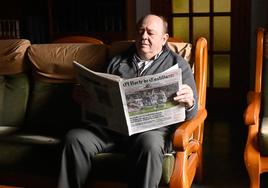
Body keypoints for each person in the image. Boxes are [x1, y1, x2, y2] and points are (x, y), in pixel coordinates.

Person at [57, 14, 197, 188]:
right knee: (75, 138)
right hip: (112, 130)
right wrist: (83, 97)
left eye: (150, 33)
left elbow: (193, 112)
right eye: (140, 32)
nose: (144, 37)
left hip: (150, 132)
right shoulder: (117, 61)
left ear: (164, 39)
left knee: (150, 145)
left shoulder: (178, 65)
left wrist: (189, 101)